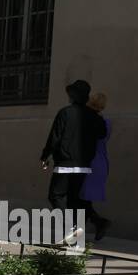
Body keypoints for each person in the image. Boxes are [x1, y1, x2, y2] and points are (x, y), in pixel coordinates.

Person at [40, 79, 107, 251]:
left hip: (65, 163)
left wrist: (45, 155)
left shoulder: (65, 113)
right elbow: (102, 133)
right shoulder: (94, 117)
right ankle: (76, 237)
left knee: (56, 196)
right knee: (76, 201)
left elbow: (54, 137)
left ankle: (73, 229)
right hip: (84, 165)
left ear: (72, 96)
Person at [82, 92, 112, 242]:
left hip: (88, 161)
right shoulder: (106, 123)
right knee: (84, 198)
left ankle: (96, 222)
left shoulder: (87, 122)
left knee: (80, 197)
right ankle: (97, 222)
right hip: (101, 162)